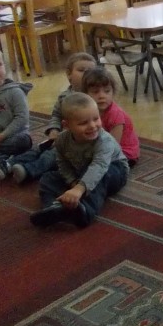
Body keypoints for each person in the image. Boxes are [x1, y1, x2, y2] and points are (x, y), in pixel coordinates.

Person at [0, 52, 97, 183]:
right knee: (37, 149)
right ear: (69, 74)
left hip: (76, 144)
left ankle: (27, 171)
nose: (87, 74)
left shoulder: (93, 100)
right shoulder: (64, 97)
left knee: (50, 156)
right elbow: (56, 115)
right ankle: (7, 165)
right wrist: (54, 129)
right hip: (59, 138)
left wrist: (66, 137)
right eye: (81, 70)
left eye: (91, 71)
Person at [30, 92, 129, 228]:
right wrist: (72, 182)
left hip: (114, 170)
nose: (92, 126)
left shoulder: (104, 140)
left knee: (100, 176)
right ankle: (53, 207)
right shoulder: (62, 140)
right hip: (80, 170)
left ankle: (85, 211)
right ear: (66, 125)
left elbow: (99, 166)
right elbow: (62, 163)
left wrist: (79, 188)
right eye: (83, 123)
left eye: (96, 119)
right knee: (48, 178)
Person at [81, 67, 140, 166]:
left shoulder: (116, 114)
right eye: (95, 92)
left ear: (113, 92)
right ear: (86, 94)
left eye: (107, 91)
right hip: (101, 145)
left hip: (123, 153)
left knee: (91, 166)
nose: (102, 96)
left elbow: (113, 145)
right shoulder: (89, 110)